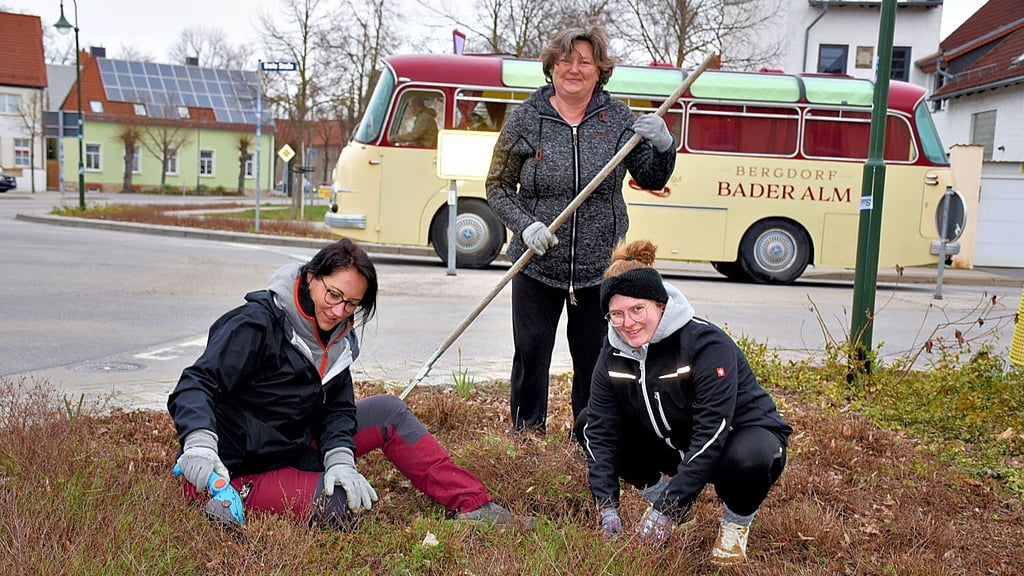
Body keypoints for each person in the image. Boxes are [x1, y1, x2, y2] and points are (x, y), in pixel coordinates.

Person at [168, 238, 530, 530]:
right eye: (334, 295)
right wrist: (200, 445)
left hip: (294, 443)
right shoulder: (256, 324)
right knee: (340, 507)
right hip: (234, 466)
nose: (339, 311)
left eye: (352, 303)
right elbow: (196, 383)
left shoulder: (338, 338)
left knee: (388, 410)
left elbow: (339, 408)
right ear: (311, 277)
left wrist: (340, 459)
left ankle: (474, 506)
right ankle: (225, 496)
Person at [485, 26, 677, 433]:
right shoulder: (525, 119)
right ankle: (526, 439)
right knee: (531, 356)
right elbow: (497, 187)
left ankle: (589, 440)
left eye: (584, 62)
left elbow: (652, 176)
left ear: (599, 70)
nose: (574, 69)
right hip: (536, 265)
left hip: (599, 269)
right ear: (551, 67)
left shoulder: (619, 119)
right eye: (565, 60)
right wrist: (526, 225)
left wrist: (663, 146)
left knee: (593, 361)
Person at [574, 240, 792, 565]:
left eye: (637, 309)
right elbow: (602, 430)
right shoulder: (612, 353)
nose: (628, 323)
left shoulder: (705, 344)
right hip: (673, 442)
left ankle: (734, 524)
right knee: (588, 423)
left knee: (752, 456)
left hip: (732, 439)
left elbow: (712, 432)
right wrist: (607, 507)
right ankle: (666, 501)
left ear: (660, 305)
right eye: (616, 314)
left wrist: (667, 511)